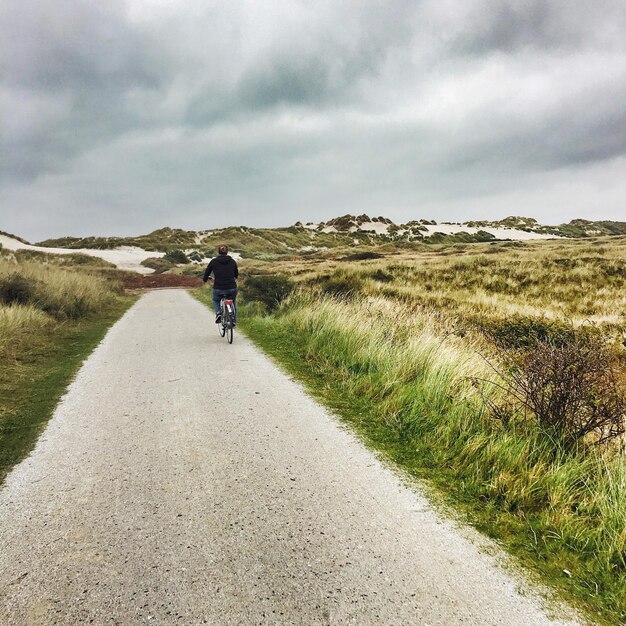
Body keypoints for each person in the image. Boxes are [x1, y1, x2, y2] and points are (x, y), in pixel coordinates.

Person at [203, 244, 239, 324]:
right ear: (227, 251)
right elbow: (236, 273)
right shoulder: (232, 261)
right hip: (231, 288)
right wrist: (234, 278)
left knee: (215, 300)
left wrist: (205, 279)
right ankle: (233, 320)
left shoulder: (214, 261)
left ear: (218, 252)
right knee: (233, 301)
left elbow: (207, 272)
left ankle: (219, 313)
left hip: (218, 288)